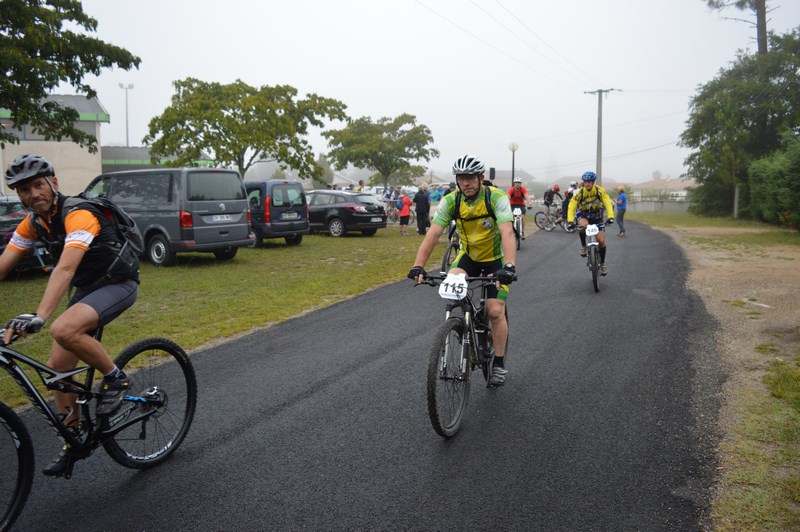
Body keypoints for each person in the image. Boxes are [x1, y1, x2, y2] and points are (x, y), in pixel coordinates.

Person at [0, 154, 140, 476]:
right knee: (58, 370)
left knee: (62, 329)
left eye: (38, 185)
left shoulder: (78, 214)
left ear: (54, 183)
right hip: (88, 291)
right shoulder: (34, 223)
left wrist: (40, 315)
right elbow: (3, 267)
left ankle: (116, 378)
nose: (33, 194)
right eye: (24, 189)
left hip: (119, 283)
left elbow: (65, 268)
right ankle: (73, 438)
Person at [408, 155, 516, 386]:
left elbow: (507, 231)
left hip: (495, 259)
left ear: (480, 178)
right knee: (452, 289)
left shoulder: (495, 197)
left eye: (470, 178)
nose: (466, 183)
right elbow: (434, 233)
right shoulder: (451, 201)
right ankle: (461, 324)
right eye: (461, 178)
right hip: (467, 257)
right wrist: (418, 265)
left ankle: (498, 362)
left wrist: (508, 266)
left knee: (495, 310)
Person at [566, 171, 615, 276]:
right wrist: (570, 221)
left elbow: (607, 202)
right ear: (583, 182)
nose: (587, 184)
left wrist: (610, 216)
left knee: (601, 241)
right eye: (585, 182)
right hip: (583, 214)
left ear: (593, 182)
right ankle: (584, 246)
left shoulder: (599, 191)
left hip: (597, 216)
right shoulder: (580, 193)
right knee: (583, 226)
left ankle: (602, 264)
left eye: (589, 181)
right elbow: (572, 206)